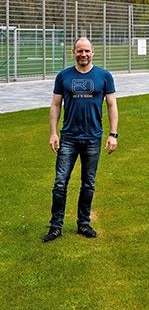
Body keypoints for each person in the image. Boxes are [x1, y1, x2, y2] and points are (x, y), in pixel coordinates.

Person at [43, 37, 119, 243]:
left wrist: (113, 134)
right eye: (79, 51)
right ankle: (56, 226)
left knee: (88, 184)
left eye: (86, 51)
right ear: (73, 52)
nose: (83, 54)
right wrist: (53, 133)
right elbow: (55, 105)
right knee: (60, 183)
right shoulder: (63, 76)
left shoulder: (104, 76)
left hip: (93, 138)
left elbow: (112, 105)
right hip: (68, 138)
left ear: (93, 52)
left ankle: (83, 223)